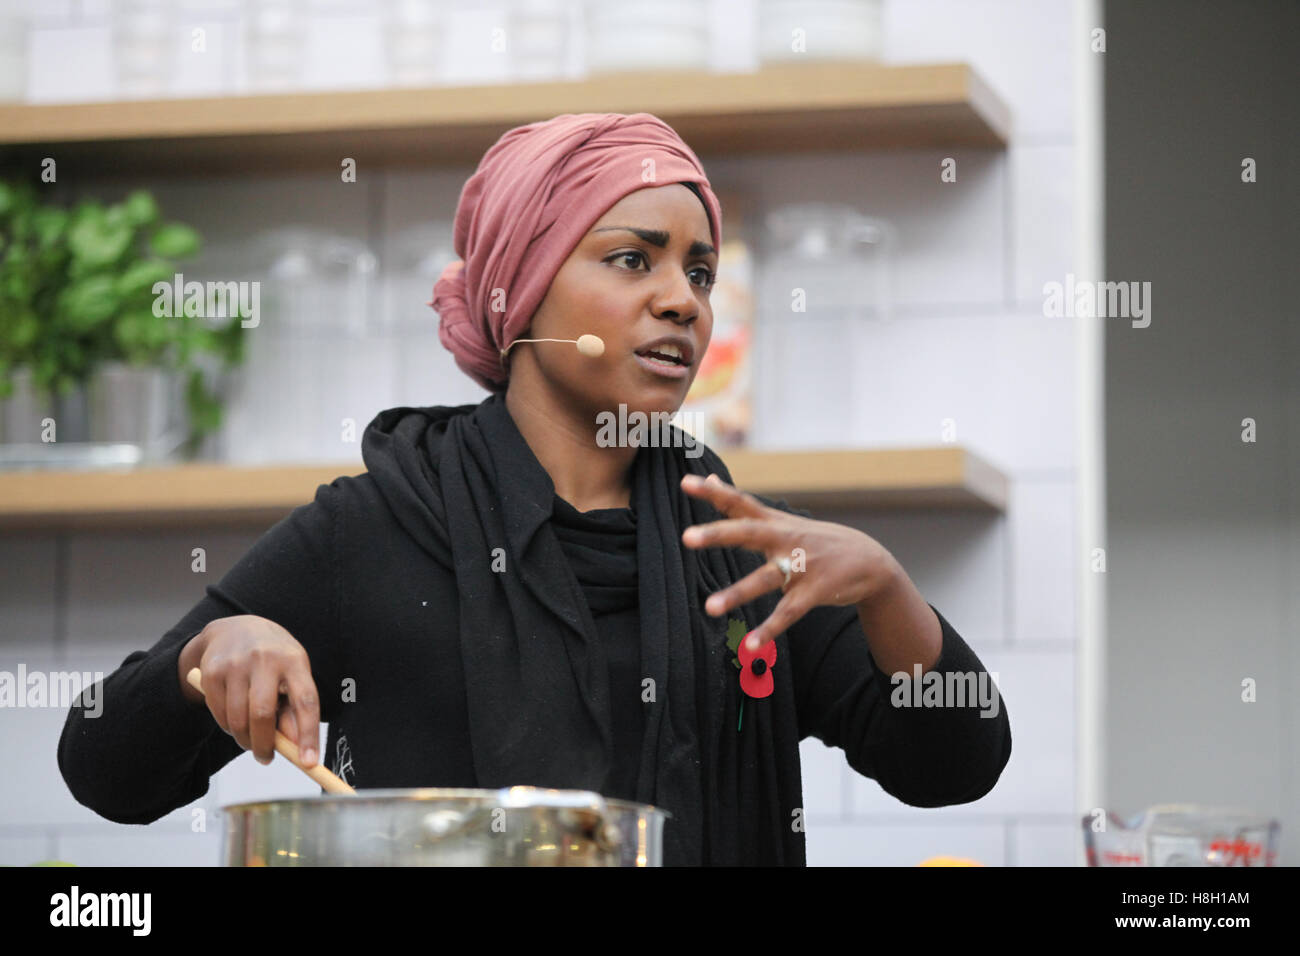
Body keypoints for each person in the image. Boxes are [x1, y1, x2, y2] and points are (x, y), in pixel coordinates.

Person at [58, 112, 1011, 866]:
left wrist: (887, 587)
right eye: (632, 258)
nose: (683, 298)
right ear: (521, 288)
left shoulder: (739, 551)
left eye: (701, 269)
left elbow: (956, 768)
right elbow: (104, 768)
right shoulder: (375, 528)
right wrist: (214, 654)